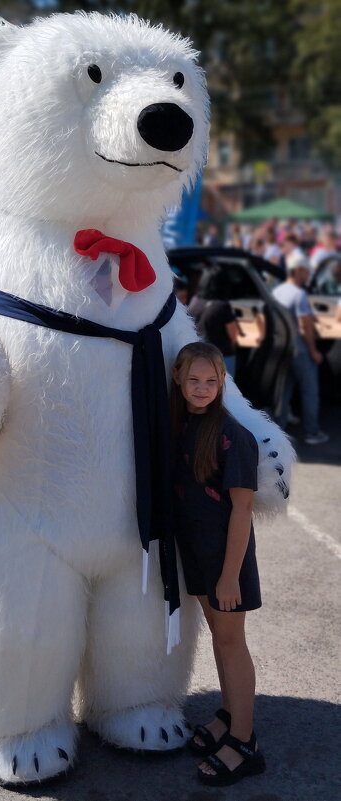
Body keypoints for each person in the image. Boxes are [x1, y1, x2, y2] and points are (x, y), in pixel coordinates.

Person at [170, 341, 265, 787]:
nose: (202, 388)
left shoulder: (234, 438)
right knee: (219, 639)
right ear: (178, 379)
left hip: (227, 560)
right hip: (199, 553)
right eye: (194, 380)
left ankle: (246, 744)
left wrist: (230, 575)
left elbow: (242, 511)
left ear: (222, 381)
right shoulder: (183, 424)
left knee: (232, 643)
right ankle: (229, 714)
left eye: (211, 381)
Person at [272, 250, 329, 445]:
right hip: (300, 349)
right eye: (306, 272)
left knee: (285, 389)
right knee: (310, 390)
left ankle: (279, 428)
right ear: (297, 271)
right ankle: (311, 432)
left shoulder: (278, 291)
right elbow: (305, 326)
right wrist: (314, 351)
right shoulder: (300, 294)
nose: (308, 275)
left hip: (282, 348)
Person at [188, 266, 242, 376]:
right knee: (224, 389)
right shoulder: (222, 306)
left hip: (197, 354)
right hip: (221, 356)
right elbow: (234, 334)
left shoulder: (195, 302)